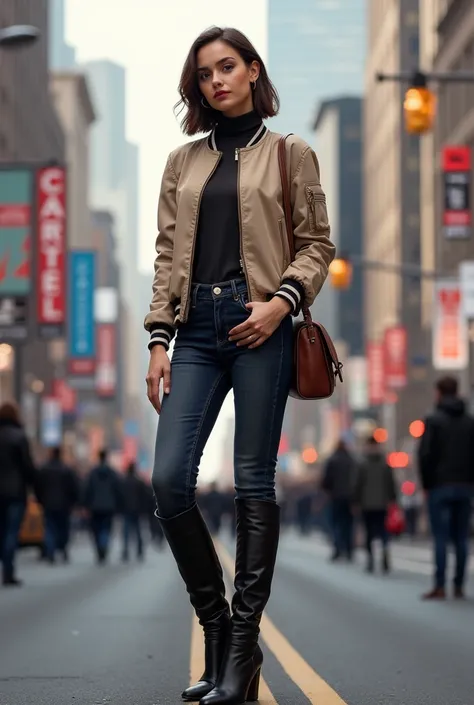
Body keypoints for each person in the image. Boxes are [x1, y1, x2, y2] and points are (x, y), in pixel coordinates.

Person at [144, 26, 334, 705]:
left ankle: (241, 652)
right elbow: (168, 255)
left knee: (254, 480)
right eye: (204, 74)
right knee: (168, 484)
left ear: (253, 71)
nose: (216, 80)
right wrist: (159, 338)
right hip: (194, 328)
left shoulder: (290, 154)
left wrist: (280, 304)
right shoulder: (182, 162)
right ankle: (225, 633)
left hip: (262, 326)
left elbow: (317, 244)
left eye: (228, 67)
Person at [418, 376, 474, 600]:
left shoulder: (433, 420)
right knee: (461, 538)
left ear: (439, 392)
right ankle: (459, 585)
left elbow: (425, 455)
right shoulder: (470, 421)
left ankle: (440, 585)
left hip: (440, 486)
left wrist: (426, 484)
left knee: (440, 537)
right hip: (465, 486)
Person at [0, 401, 37, 586]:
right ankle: (8, 570)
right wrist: (34, 489)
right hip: (15, 492)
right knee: (11, 532)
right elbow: (27, 466)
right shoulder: (19, 437)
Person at [354, 436, 397, 574]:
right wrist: (392, 500)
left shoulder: (362, 464)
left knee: (369, 532)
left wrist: (355, 502)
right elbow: (391, 483)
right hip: (382, 503)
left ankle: (371, 559)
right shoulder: (384, 463)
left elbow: (357, 485)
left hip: (367, 504)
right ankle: (384, 552)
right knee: (383, 531)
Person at [38, 446, 79, 564]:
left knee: (50, 528)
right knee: (63, 528)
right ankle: (62, 548)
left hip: (48, 504)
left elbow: (38, 486)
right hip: (64, 505)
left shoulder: (44, 469)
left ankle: (50, 551)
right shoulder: (66, 469)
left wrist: (40, 499)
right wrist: (74, 502)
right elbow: (74, 488)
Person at [83, 449, 122, 564]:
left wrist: (85, 504)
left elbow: (87, 489)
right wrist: (119, 505)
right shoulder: (112, 473)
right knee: (105, 529)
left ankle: (100, 548)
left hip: (94, 506)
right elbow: (118, 490)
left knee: (96, 530)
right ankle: (103, 545)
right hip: (109, 506)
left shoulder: (92, 473)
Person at [322, 439, 357, 561]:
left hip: (335, 497)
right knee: (348, 524)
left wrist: (328, 491)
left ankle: (337, 548)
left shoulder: (332, 460)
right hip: (349, 498)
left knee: (336, 523)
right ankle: (348, 550)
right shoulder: (352, 461)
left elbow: (326, 480)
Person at [121, 461, 148, 562]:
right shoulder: (139, 482)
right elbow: (144, 497)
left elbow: (120, 496)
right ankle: (139, 550)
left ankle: (125, 551)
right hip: (137, 510)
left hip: (126, 509)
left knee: (126, 531)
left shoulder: (123, 481)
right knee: (138, 531)